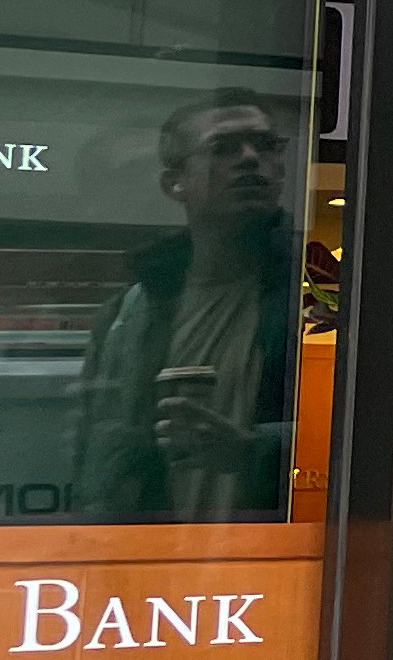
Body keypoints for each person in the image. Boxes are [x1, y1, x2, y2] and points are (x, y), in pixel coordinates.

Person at [74, 90, 301, 520]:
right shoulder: (136, 309)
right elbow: (102, 451)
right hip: (160, 548)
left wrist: (256, 452)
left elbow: (370, 433)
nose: (250, 158)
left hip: (277, 547)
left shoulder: (321, 292)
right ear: (175, 183)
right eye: (223, 148)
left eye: (266, 144)